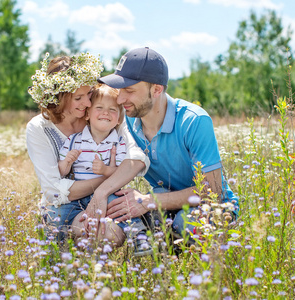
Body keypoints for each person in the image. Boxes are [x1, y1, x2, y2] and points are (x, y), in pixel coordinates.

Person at [98, 47, 238, 241]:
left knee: (185, 222)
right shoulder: (128, 119)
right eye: (120, 90)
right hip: (162, 201)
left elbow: (213, 190)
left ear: (156, 89)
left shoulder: (194, 121)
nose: (120, 99)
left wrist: (148, 201)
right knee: (114, 206)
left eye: (129, 91)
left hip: (212, 206)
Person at [26, 52, 149, 247]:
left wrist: (103, 192)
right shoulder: (39, 128)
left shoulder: (103, 115)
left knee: (105, 234)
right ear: (59, 98)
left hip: (106, 197)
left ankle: (137, 241)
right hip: (66, 205)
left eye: (89, 95)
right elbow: (53, 192)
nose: (87, 103)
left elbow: (137, 155)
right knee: (87, 231)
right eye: (78, 98)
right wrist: (107, 179)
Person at [58, 83, 152, 256]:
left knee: (120, 207)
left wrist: (105, 170)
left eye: (112, 110)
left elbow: (122, 173)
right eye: (99, 108)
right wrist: (66, 163)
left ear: (119, 119)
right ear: (87, 114)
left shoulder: (118, 142)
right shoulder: (74, 140)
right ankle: (58, 246)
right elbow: (60, 172)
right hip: (79, 194)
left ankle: (139, 236)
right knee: (60, 215)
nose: (105, 113)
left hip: (108, 192)